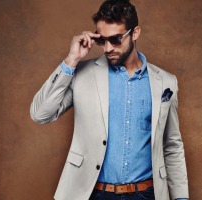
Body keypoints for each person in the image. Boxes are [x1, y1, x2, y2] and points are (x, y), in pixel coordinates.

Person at [30, 0, 189, 199]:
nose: (107, 48)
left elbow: (172, 145)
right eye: (101, 40)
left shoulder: (166, 81)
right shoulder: (83, 74)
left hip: (146, 194)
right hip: (93, 193)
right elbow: (40, 114)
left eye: (115, 39)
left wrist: (181, 197)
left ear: (135, 33)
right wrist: (71, 60)